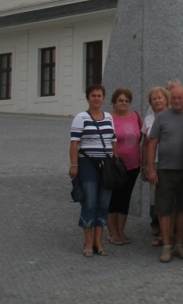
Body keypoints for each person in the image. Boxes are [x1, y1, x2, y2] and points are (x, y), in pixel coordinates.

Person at [69, 84, 118, 258]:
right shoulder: (81, 117)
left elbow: (113, 141)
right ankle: (88, 241)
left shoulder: (109, 117)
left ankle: (99, 241)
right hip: (87, 164)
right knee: (89, 202)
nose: (96, 98)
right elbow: (74, 143)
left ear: (103, 98)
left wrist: (115, 162)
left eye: (99, 96)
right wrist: (74, 165)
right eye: (93, 95)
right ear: (88, 98)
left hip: (106, 165)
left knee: (103, 204)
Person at [147, 84, 183, 263]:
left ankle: (180, 245)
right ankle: (166, 246)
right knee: (165, 209)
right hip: (165, 170)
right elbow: (152, 144)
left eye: (179, 98)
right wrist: (151, 168)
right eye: (173, 98)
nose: (176, 101)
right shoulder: (162, 117)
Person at [107, 87, 142, 246]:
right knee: (113, 198)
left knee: (125, 198)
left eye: (126, 101)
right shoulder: (108, 117)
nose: (123, 103)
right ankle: (112, 233)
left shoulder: (135, 116)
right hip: (114, 166)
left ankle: (121, 231)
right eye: (120, 100)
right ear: (114, 102)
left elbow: (140, 137)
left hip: (133, 165)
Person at [141, 86, 169, 240]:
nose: (157, 101)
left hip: (171, 162)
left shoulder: (173, 116)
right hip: (155, 162)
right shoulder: (148, 119)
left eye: (160, 97)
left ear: (166, 99)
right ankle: (157, 225)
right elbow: (145, 144)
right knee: (155, 196)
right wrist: (145, 165)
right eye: (154, 99)